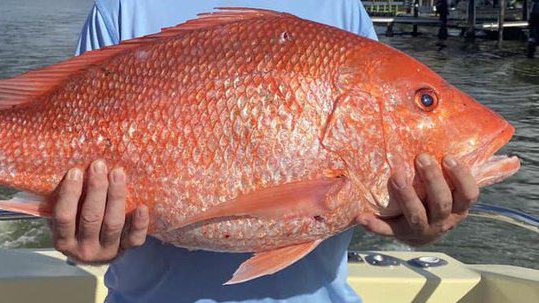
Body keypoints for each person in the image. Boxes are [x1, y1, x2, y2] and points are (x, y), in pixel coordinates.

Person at [49, 1, 481, 302]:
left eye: (426, 100)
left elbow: (379, 190)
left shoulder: (342, 9)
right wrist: (81, 235)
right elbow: (65, 140)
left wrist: (419, 226)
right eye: (426, 100)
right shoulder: (122, 8)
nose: (427, 105)